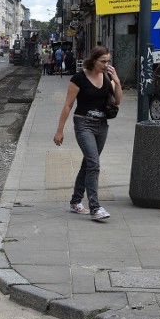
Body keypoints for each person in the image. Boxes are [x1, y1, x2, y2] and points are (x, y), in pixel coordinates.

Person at [53, 45, 122, 221]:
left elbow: (118, 100)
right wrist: (59, 131)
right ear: (94, 60)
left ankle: (76, 201)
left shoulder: (107, 77)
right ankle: (95, 207)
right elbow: (68, 105)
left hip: (102, 126)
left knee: (88, 164)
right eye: (103, 61)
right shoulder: (79, 78)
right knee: (94, 164)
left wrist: (117, 81)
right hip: (83, 124)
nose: (107, 64)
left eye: (108, 61)